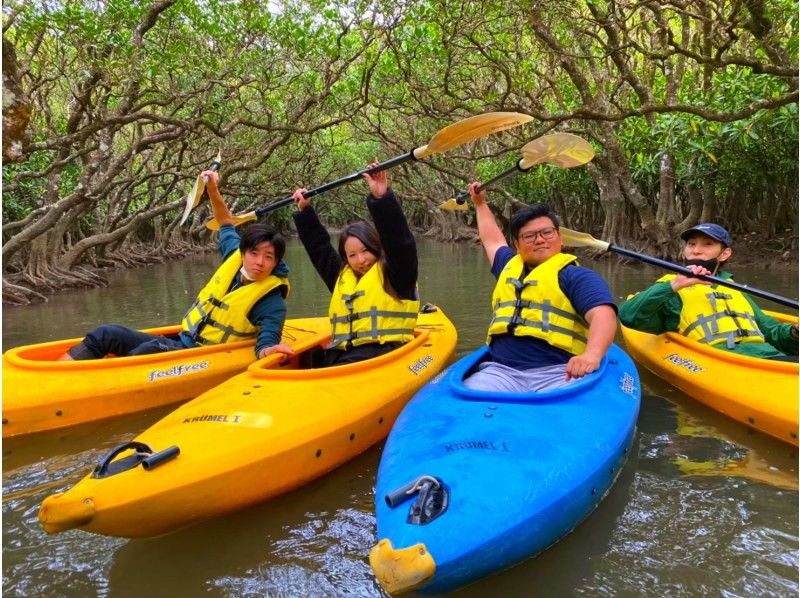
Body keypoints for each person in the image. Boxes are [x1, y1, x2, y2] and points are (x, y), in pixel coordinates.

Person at [59, 170, 293, 361]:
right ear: (244, 253)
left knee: (145, 353)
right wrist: (212, 188)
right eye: (254, 253)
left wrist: (268, 351)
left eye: (269, 257)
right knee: (106, 334)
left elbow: (267, 339)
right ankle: (59, 378)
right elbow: (225, 221)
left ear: (276, 262)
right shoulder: (234, 253)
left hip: (202, 356)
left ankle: (101, 383)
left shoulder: (271, 300)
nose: (260, 262)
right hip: (182, 340)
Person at [463, 182, 618, 392]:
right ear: (517, 245)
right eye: (529, 236)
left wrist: (592, 354)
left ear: (560, 238)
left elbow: (603, 315)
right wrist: (480, 204)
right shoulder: (508, 266)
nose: (539, 240)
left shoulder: (576, 276)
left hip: (559, 373)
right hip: (500, 373)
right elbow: (492, 240)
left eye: (547, 233)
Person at [291, 164, 419, 367]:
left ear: (377, 248)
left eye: (366, 250)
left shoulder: (398, 275)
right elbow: (319, 250)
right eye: (352, 255)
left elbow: (400, 242)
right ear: (346, 259)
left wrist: (381, 198)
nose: (361, 260)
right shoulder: (342, 277)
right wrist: (305, 211)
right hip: (341, 359)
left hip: (383, 357)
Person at [618, 222, 798, 360]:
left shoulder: (734, 289)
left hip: (768, 358)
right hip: (721, 362)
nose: (696, 250)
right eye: (691, 244)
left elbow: (773, 333)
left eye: (707, 244)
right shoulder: (671, 289)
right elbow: (628, 316)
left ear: (724, 254)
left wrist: (795, 332)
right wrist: (675, 285)